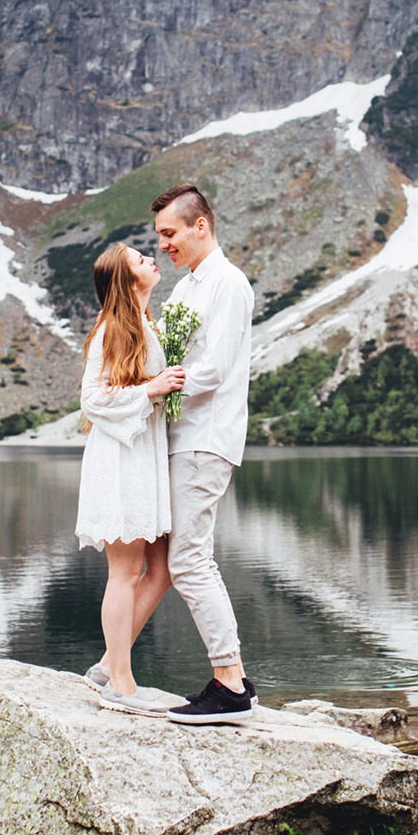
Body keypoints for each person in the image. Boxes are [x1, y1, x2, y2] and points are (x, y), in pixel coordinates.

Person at [150, 183, 257, 725]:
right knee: (171, 559)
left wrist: (159, 385)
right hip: (179, 436)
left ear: (201, 226)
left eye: (169, 233)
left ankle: (231, 681)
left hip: (205, 437)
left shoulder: (229, 284)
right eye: (160, 237)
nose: (163, 245)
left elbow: (215, 368)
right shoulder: (186, 288)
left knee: (190, 560)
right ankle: (111, 664)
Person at [74, 243, 185, 716]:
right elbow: (92, 400)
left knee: (162, 570)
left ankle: (107, 664)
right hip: (120, 461)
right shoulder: (111, 328)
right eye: (141, 260)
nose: (152, 260)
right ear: (126, 278)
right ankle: (122, 683)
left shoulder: (145, 322)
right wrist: (153, 389)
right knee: (125, 571)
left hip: (145, 458)